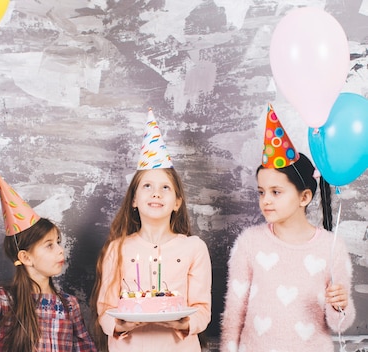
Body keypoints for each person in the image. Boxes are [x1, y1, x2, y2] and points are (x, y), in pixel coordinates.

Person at [221, 105, 356, 351]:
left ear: (304, 197)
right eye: (261, 192)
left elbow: (340, 323)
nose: (266, 201)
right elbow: (233, 314)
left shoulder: (331, 247)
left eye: (276, 192)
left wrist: (340, 305)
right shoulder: (249, 243)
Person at [90, 109, 212, 351]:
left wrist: (185, 321)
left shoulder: (194, 248)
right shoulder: (118, 248)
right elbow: (104, 309)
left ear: (177, 202)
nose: (156, 193)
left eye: (165, 187)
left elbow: (202, 309)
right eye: (147, 185)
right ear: (134, 199)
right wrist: (119, 326)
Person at [0, 173, 97, 352]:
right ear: (26, 257)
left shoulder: (69, 304)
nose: (60, 250)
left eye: (58, 242)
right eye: (49, 245)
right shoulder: (9, 299)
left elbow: (85, 347)